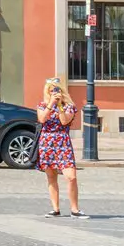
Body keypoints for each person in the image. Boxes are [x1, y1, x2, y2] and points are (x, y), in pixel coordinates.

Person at [36, 78, 83, 218]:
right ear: (47, 93)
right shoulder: (42, 105)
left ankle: (74, 209)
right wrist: (51, 104)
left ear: (62, 92)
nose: (55, 93)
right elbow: (42, 119)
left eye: (57, 90)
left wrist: (60, 106)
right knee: (51, 176)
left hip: (63, 143)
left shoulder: (70, 107)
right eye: (51, 91)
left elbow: (64, 121)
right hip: (47, 143)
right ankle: (55, 209)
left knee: (71, 177)